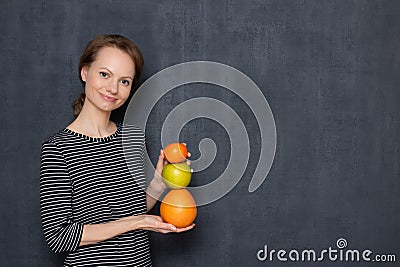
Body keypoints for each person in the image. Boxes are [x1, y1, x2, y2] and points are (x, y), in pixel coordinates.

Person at [39, 34, 194, 267]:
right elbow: (58, 237)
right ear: (84, 72)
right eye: (104, 74)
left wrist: (158, 185)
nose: (113, 88)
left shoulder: (132, 138)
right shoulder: (58, 149)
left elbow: (132, 208)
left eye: (124, 81)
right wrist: (136, 223)